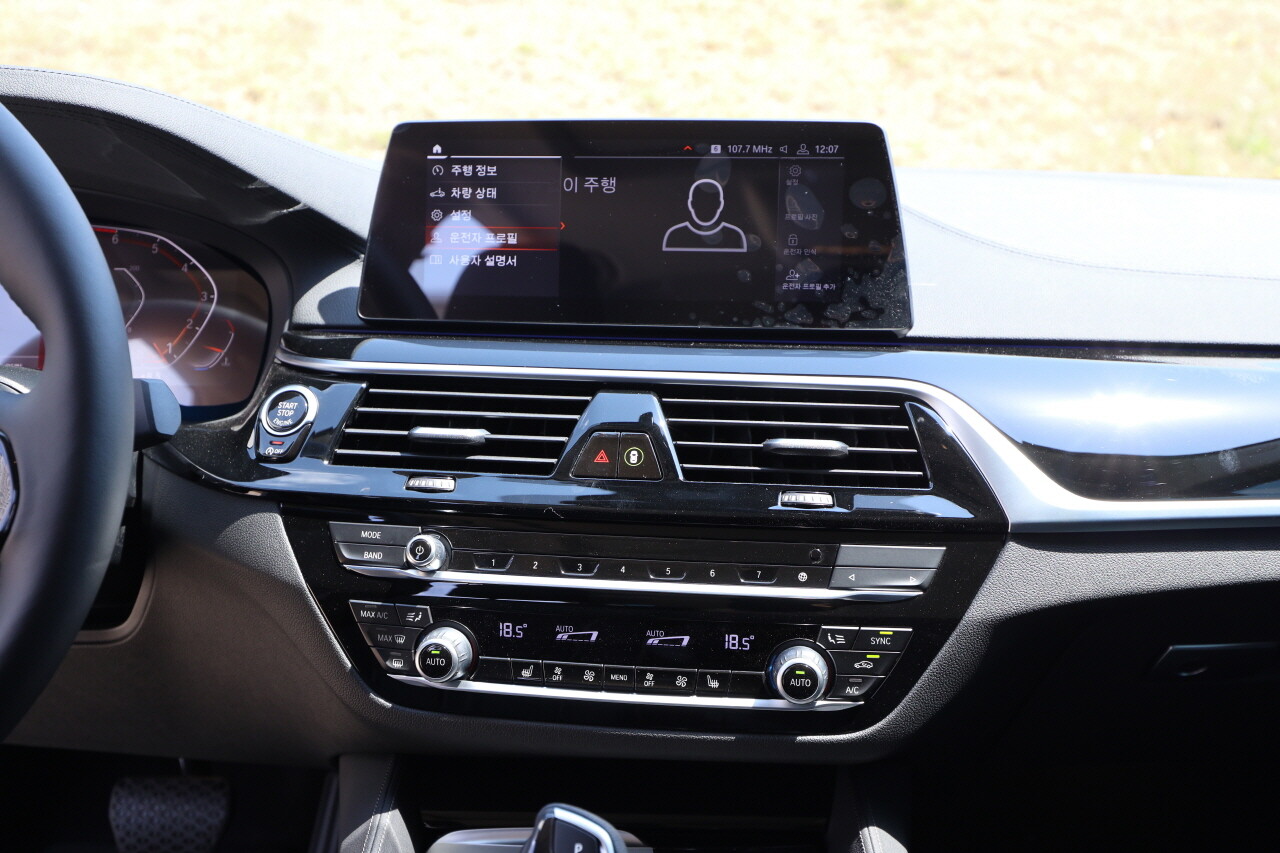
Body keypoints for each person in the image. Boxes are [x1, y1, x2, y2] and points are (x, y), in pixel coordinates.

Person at [662, 178, 747, 252]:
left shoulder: (734, 235)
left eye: (712, 202)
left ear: (720, 204)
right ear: (691, 204)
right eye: (700, 202)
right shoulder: (676, 234)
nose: (706, 207)